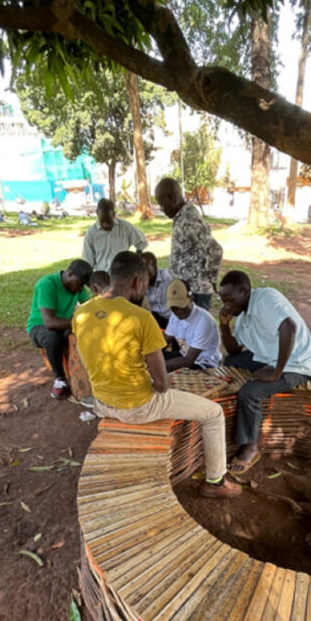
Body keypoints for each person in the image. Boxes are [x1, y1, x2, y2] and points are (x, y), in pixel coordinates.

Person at [73, 251, 240, 498]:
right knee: (213, 414)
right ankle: (216, 482)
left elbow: (88, 359)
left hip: (103, 403)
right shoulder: (141, 318)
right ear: (138, 281)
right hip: (139, 406)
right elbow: (161, 385)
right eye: (146, 284)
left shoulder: (82, 313)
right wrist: (150, 381)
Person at [218, 270, 311, 474]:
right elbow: (235, 350)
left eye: (229, 299)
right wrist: (224, 326)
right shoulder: (243, 317)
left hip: (295, 364)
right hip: (267, 358)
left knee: (250, 392)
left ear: (245, 291)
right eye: (222, 300)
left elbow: (288, 327)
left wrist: (276, 372)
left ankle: (250, 447)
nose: (226, 304)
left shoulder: (265, 299)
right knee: (229, 361)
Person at [26, 259, 93, 398]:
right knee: (52, 338)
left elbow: (89, 308)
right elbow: (49, 322)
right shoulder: (47, 284)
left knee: (84, 333)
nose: (81, 289)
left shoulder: (76, 287)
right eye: (80, 284)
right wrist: (79, 323)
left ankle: (87, 372)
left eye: (83, 286)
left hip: (63, 325)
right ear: (70, 274)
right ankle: (60, 379)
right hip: (40, 326)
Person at [154, 177, 222, 311]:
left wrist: (212, 279)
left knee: (196, 329)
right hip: (185, 290)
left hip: (195, 292)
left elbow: (215, 249)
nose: (162, 209)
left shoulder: (188, 220)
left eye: (162, 204)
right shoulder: (181, 217)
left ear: (173, 198)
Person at [163, 279, 222, 372]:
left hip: (204, 364)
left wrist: (156, 366)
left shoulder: (204, 321)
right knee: (154, 358)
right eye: (174, 308)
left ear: (191, 299)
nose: (179, 311)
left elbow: (188, 361)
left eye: (182, 306)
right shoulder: (174, 316)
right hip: (184, 356)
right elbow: (165, 341)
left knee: (161, 368)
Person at [82, 198, 148, 272]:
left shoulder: (126, 227)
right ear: (97, 213)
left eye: (109, 222)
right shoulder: (91, 233)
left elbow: (142, 242)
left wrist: (135, 262)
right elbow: (88, 262)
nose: (105, 225)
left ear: (114, 214)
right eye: (102, 221)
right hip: (103, 278)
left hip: (123, 276)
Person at [141, 251, 172, 328]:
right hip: (155, 315)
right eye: (141, 269)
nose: (144, 273)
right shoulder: (140, 281)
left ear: (155, 267)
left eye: (147, 269)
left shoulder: (168, 279)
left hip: (173, 317)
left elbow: (166, 308)